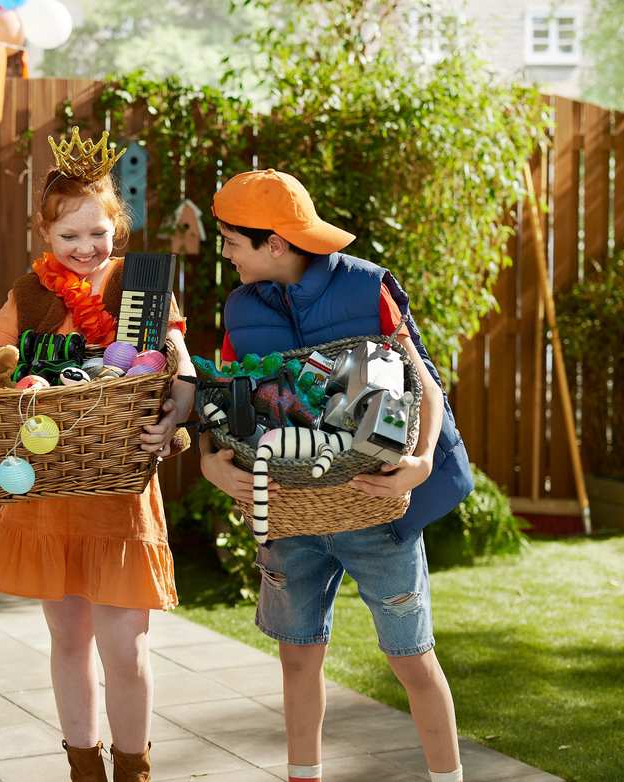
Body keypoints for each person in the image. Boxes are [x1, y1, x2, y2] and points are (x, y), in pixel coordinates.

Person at [199, 169, 475, 782]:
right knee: (297, 659)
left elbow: (422, 384)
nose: (224, 254)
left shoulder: (367, 289)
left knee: (411, 659)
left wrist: (422, 462)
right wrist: (210, 463)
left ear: (275, 243)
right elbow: (225, 402)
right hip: (290, 517)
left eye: (231, 242)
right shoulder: (241, 308)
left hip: (375, 509)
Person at [0, 128, 195, 782]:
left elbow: (176, 356)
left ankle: (133, 769)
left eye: (99, 233)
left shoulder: (142, 285)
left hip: (119, 497)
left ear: (117, 226)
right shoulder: (29, 294)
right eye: (70, 238)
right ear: (45, 235)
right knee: (69, 642)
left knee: (127, 650)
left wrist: (178, 405)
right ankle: (83, 767)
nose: (87, 248)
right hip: (49, 491)